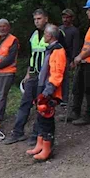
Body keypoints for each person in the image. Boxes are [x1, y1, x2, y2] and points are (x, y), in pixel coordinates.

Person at [4, 9, 66, 145]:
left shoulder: (55, 33)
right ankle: (17, 132)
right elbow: (32, 55)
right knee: (25, 104)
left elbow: (61, 55)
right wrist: (28, 72)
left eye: (39, 18)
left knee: (41, 106)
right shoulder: (34, 35)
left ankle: (36, 135)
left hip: (46, 77)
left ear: (46, 18)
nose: (36, 21)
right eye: (35, 19)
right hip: (33, 75)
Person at [25, 24, 66, 161]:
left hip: (50, 90)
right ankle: (40, 144)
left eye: (45, 34)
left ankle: (47, 149)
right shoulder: (50, 50)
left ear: (50, 36)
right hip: (43, 86)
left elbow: (57, 74)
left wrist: (48, 92)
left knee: (46, 117)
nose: (43, 36)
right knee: (40, 117)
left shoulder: (58, 51)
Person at [59, 9, 81, 106]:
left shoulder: (74, 31)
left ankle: (65, 98)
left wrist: (73, 60)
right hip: (57, 56)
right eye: (64, 17)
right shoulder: (59, 29)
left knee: (66, 78)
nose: (65, 19)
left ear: (72, 18)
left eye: (67, 17)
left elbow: (75, 46)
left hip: (68, 57)